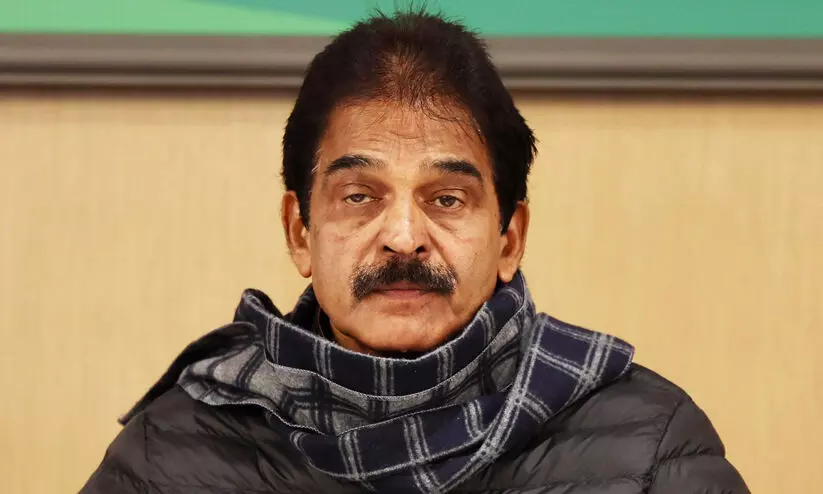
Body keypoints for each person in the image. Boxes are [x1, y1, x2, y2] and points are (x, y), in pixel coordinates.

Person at [81, 11, 748, 494]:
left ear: (510, 237)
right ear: (299, 232)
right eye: (359, 196)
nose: (403, 237)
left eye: (447, 199)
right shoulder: (167, 457)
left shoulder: (651, 448)